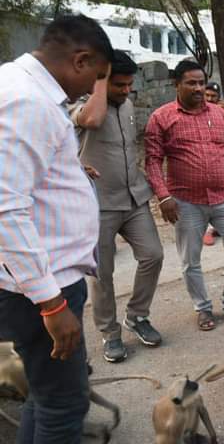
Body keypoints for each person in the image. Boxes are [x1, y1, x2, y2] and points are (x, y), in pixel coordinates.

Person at [0, 14, 112, 443]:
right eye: (96, 77)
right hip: (39, 289)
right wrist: (50, 303)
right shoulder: (28, 100)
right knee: (65, 406)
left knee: (45, 398)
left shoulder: (17, 84)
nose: (91, 90)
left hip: (37, 282)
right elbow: (6, 207)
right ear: (80, 59)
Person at [144, 60, 224, 332]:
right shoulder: (161, 117)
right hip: (185, 201)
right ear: (176, 84)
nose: (197, 88)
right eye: (191, 83)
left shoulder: (219, 114)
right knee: (190, 260)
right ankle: (203, 308)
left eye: (201, 82)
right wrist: (163, 197)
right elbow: (153, 161)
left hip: (223, 196)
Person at [69, 50, 163, 363]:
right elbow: (91, 120)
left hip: (134, 198)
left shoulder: (128, 104)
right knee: (102, 274)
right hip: (98, 204)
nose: (126, 91)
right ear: (102, 78)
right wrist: (99, 82)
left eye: (129, 85)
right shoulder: (78, 103)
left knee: (153, 254)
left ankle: (136, 316)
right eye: (119, 85)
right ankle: (110, 334)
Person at [203, 81, 224, 247]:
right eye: (207, 95)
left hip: (222, 157)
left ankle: (217, 226)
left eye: (213, 96)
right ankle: (208, 230)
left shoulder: (222, 111)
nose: (210, 99)